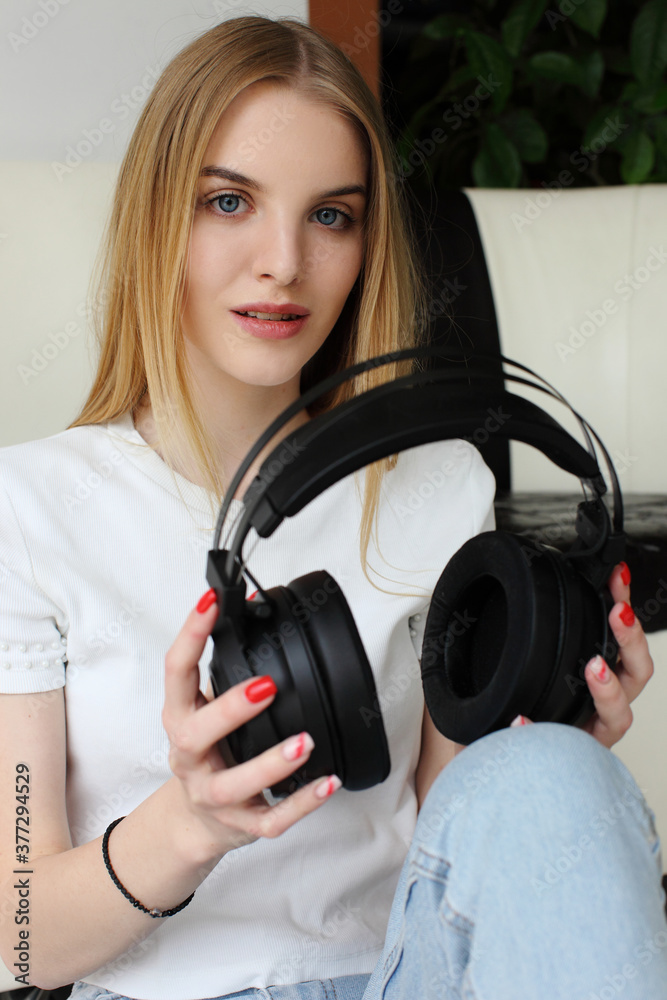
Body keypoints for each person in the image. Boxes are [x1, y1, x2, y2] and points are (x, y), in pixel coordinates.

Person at [0, 14, 664, 1000]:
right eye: (229, 201)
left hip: (395, 974)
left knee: (556, 781)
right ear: (156, 219)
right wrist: (191, 823)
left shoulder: (439, 483)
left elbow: (449, 823)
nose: (282, 262)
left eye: (330, 215)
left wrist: (545, 757)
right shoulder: (33, 506)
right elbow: (16, 937)